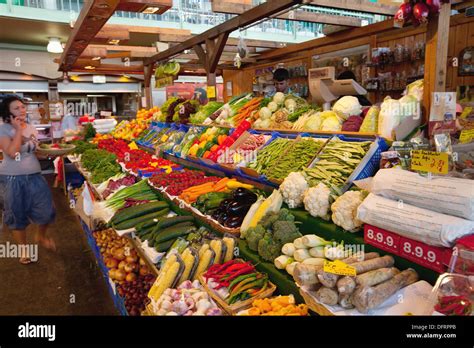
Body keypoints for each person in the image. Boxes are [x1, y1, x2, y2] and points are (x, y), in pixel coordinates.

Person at [0, 96, 56, 264]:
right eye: (16, 108)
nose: (21, 110)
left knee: (48, 210)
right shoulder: (3, 130)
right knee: (17, 215)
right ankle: (24, 249)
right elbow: (12, 152)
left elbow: (33, 151)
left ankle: (40, 236)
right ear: (8, 112)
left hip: (35, 176)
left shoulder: (31, 127)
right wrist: (18, 130)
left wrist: (50, 153)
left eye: (22, 107)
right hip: (12, 178)